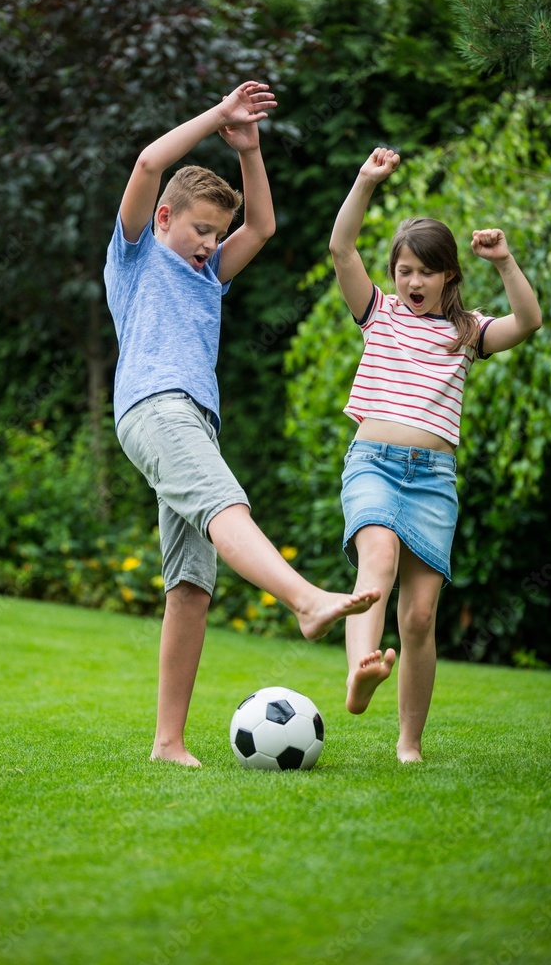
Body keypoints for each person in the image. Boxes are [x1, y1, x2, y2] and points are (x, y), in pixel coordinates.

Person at [104, 81, 380, 767]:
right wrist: (217, 117)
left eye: (214, 235)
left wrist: (249, 149)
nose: (209, 243)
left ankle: (167, 742)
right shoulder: (136, 257)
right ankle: (304, 599)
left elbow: (262, 227)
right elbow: (146, 164)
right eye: (200, 229)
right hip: (154, 404)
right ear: (164, 217)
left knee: (191, 587)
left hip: (192, 417)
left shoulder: (208, 276)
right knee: (228, 504)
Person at [329, 146, 542, 762]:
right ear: (392, 276)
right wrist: (365, 181)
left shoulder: (467, 331)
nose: (413, 282)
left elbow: (527, 322)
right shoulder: (379, 315)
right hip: (372, 462)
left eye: (425, 271)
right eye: (404, 271)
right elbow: (343, 249)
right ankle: (360, 669)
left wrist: (504, 261)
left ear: (449, 274)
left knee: (419, 617)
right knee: (377, 562)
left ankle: (409, 742)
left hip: (432, 481)